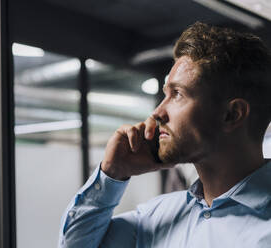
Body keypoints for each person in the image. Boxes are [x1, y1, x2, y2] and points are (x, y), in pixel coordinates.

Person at [59, 22, 271, 247]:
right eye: (165, 94)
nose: (158, 112)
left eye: (177, 94)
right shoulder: (157, 216)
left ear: (232, 115)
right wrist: (112, 174)